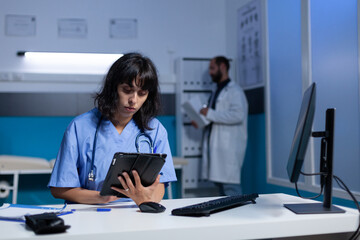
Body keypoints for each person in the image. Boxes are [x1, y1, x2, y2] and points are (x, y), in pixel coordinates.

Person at [48, 52, 177, 206]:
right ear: (113, 88)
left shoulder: (155, 130)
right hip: (91, 215)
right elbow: (59, 189)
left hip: (137, 214)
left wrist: (146, 200)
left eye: (142, 94)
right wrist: (100, 197)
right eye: (127, 90)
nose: (133, 100)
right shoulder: (80, 127)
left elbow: (161, 183)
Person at [198, 56, 248, 196]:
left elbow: (238, 115)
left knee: (231, 189)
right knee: (221, 190)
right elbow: (215, 115)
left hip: (229, 149)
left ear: (223, 67)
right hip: (217, 148)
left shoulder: (235, 91)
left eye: (212, 68)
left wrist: (210, 113)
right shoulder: (216, 91)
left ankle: (238, 217)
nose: (210, 72)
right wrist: (201, 119)